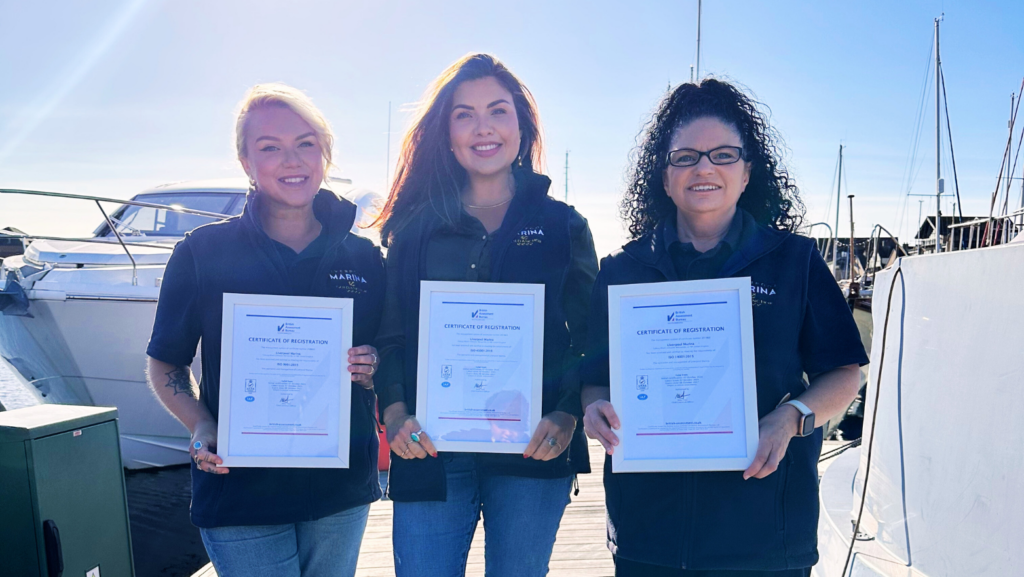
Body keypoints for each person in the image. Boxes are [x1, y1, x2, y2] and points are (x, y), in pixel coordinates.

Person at [581, 79, 869, 577]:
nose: (704, 168)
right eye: (686, 156)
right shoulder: (622, 271)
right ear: (665, 176)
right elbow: (595, 376)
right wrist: (595, 408)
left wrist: (791, 417)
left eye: (723, 154)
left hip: (765, 533)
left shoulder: (794, 261)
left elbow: (846, 372)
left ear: (747, 171)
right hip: (650, 533)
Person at [145, 83, 385, 577]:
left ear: (325, 152)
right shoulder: (202, 252)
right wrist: (201, 425)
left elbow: (391, 353)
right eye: (269, 147)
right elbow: (166, 360)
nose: (291, 160)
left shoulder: (364, 257)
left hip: (339, 486)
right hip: (240, 486)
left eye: (305, 143)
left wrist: (374, 365)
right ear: (245, 161)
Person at [373, 53, 598, 577]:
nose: (483, 128)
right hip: (427, 452)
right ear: (446, 133)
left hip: (534, 451)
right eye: (464, 114)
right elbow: (391, 335)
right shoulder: (414, 228)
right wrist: (395, 414)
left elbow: (591, 339)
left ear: (522, 126)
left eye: (498, 111)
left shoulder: (563, 226)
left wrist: (567, 413)